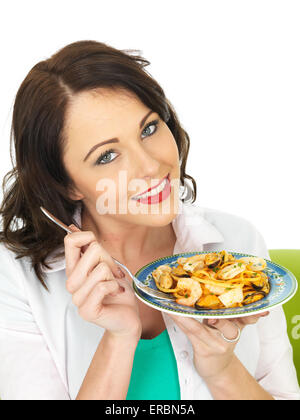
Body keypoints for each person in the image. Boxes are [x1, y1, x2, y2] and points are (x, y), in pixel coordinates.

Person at [0, 40, 299, 401]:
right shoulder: (15, 279)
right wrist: (119, 339)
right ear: (66, 184)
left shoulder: (238, 244)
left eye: (148, 129)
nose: (151, 166)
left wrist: (222, 369)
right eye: (107, 155)